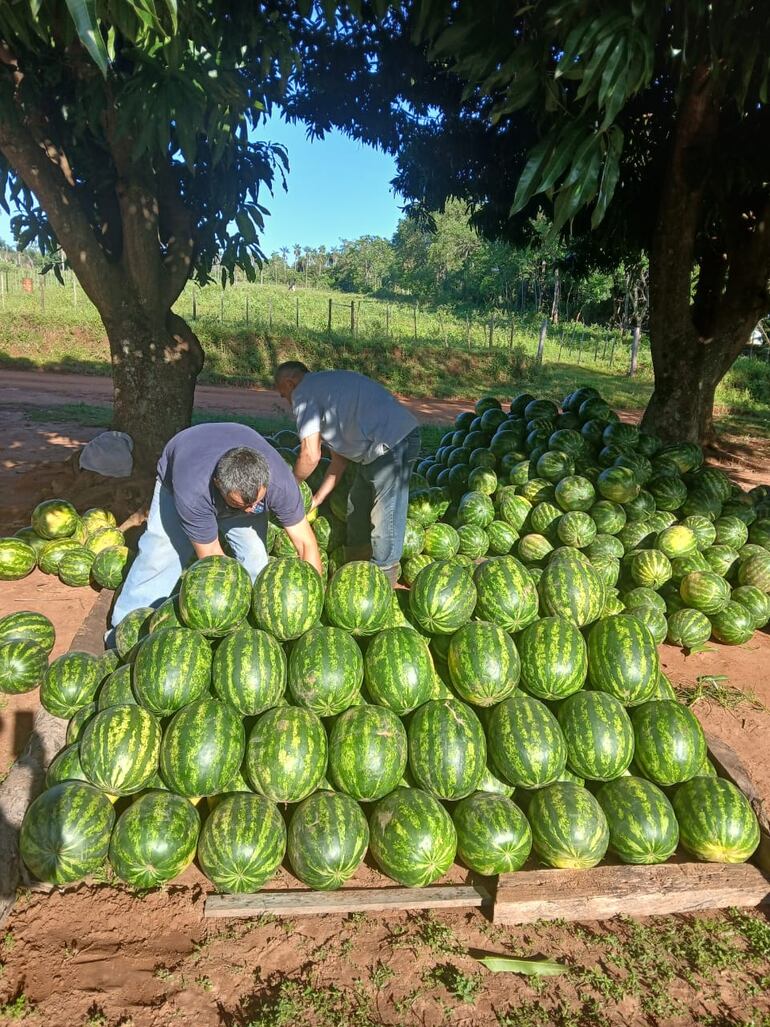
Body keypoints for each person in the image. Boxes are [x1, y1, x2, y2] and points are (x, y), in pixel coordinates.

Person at [111, 422, 322, 626]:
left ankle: (254, 625)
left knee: (256, 560)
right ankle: (124, 626)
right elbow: (213, 559)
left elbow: (306, 544)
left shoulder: (280, 485)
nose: (251, 510)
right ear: (218, 484)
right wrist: (224, 615)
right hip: (182, 469)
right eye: (240, 504)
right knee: (161, 554)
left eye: (257, 503)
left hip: (232, 459)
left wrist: (313, 601)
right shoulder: (193, 492)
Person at [273, 362, 420, 586]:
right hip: (378, 448)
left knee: (385, 512)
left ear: (290, 383)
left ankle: (383, 581)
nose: (287, 401)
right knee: (356, 506)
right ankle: (356, 571)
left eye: (284, 395)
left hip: (394, 441)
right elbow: (339, 462)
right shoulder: (324, 390)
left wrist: (290, 487)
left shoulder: (304, 392)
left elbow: (310, 455)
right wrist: (316, 499)